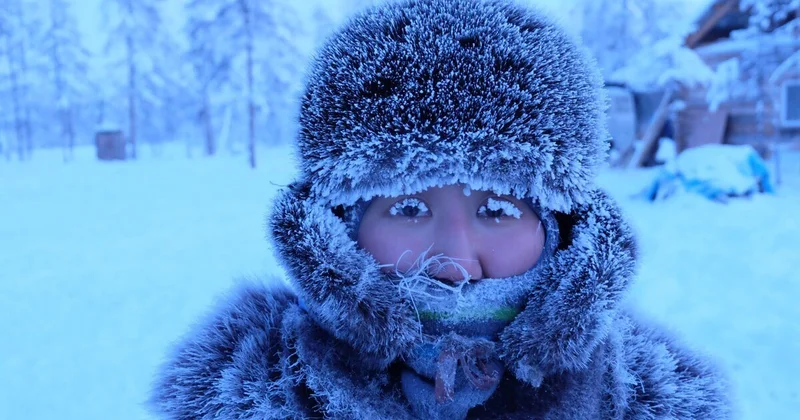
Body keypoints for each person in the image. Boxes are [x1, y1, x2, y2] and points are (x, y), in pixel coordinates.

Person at [149, 0, 731, 418]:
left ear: (563, 227)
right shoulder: (249, 391)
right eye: (408, 207)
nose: (455, 263)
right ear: (337, 226)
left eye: (497, 210)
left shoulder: (646, 398)